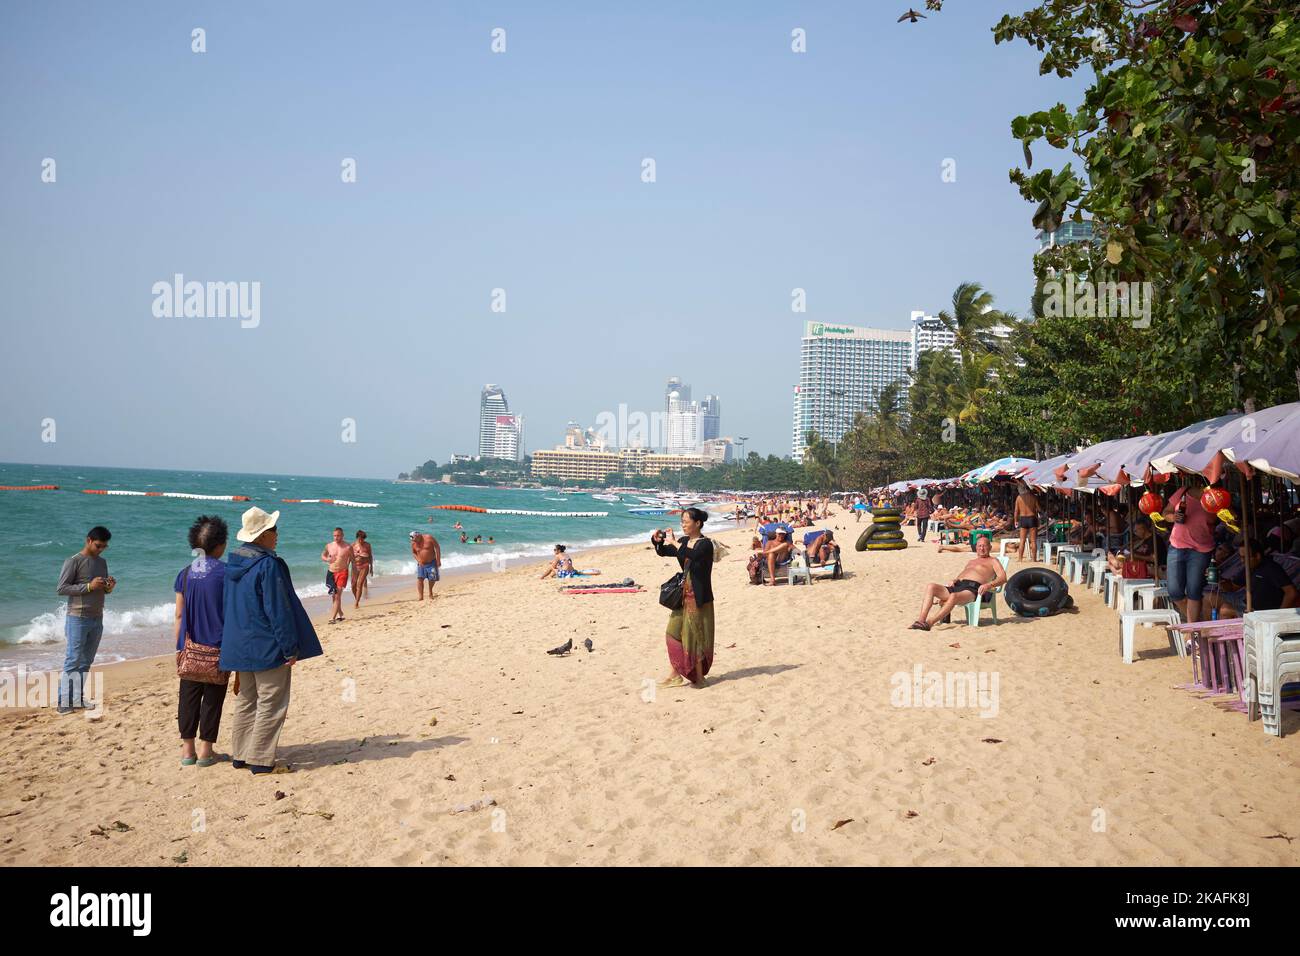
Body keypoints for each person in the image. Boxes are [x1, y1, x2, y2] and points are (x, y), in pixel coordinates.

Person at [220, 507, 323, 774]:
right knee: (271, 701)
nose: (277, 535)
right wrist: (290, 647)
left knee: (246, 699)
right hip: (266, 644)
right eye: (273, 530)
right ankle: (261, 759)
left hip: (239, 644)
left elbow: (229, 607)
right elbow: (278, 610)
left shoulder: (232, 564)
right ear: (263, 535)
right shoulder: (268, 565)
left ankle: (241, 754)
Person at [174, 515, 230, 767]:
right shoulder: (227, 573)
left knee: (187, 697)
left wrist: (179, 647)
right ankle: (206, 751)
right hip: (219, 647)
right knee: (213, 699)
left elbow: (178, 614)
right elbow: (232, 613)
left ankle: (188, 752)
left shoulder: (185, 574)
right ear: (220, 545)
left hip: (190, 647)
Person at [652, 508, 715, 688]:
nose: (683, 525)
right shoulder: (684, 541)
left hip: (698, 597)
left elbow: (693, 555)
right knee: (672, 633)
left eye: (686, 521)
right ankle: (676, 674)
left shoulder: (705, 544)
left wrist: (675, 542)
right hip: (682, 595)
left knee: (694, 637)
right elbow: (664, 552)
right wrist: (657, 541)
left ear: (697, 523)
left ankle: (699, 677)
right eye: (682, 522)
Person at [55, 526, 115, 713]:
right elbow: (62, 589)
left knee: (86, 661)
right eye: (98, 545)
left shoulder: (102, 562)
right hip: (77, 618)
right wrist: (89, 586)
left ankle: (77, 699)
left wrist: (109, 587)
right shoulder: (73, 561)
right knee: (73, 660)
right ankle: (63, 702)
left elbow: (102, 589)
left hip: (97, 617)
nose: (101, 549)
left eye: (104, 546)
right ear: (89, 540)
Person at [910, 535, 1007, 631]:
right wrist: (955, 580)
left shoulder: (993, 561)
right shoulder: (971, 561)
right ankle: (921, 620)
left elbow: (1003, 578)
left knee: (953, 596)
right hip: (959, 585)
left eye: (984, 546)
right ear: (976, 548)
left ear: (989, 547)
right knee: (931, 586)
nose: (981, 548)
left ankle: (929, 623)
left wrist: (989, 585)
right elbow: (963, 575)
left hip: (973, 589)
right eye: (979, 546)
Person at [1163, 486, 1216, 623]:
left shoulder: (1216, 497)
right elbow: (1165, 513)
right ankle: (1196, 624)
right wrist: (1173, 517)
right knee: (1174, 592)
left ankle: (1193, 631)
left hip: (1201, 549)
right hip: (1177, 545)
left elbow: (1225, 518)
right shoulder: (1183, 492)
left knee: (1194, 591)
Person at [1213, 537, 1298, 618]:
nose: (1242, 561)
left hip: (1261, 612)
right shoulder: (1249, 567)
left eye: (1245, 557)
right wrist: (1218, 578)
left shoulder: (1271, 568)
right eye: (1241, 557)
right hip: (1247, 604)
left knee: (1225, 610)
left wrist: (1279, 615)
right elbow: (1232, 587)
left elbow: (1291, 592)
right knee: (1208, 598)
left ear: (1257, 556)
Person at [321, 527, 353, 624]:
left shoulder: (348, 547)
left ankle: (332, 618)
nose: (336, 537)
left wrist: (354, 573)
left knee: (337, 595)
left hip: (343, 572)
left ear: (342, 535)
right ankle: (340, 613)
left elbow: (353, 560)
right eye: (334, 535)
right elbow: (323, 555)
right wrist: (327, 559)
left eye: (338, 535)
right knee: (334, 596)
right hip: (331, 572)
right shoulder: (329, 546)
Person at [1012, 482, 1040, 563]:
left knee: (1022, 540)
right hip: (1032, 518)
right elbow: (1038, 508)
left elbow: (1016, 511)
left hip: (1023, 519)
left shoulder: (1019, 497)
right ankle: (1034, 559)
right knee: (1033, 541)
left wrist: (1015, 520)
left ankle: (1020, 559)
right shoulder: (1034, 497)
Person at [410, 531, 441, 600]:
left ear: (418, 536)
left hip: (432, 562)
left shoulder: (429, 538)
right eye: (413, 540)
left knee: (432, 578)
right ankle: (421, 596)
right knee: (420, 578)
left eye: (415, 540)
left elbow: (437, 547)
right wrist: (418, 560)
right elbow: (414, 553)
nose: (414, 541)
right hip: (421, 564)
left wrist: (438, 560)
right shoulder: (413, 543)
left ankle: (430, 592)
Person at [350, 530, 373, 609]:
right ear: (357, 538)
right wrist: (346, 567)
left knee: (359, 584)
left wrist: (371, 568)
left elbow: (370, 556)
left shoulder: (367, 545)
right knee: (353, 586)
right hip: (355, 566)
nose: (361, 541)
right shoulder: (352, 545)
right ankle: (357, 598)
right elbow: (349, 557)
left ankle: (356, 603)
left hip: (365, 566)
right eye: (360, 539)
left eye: (363, 539)